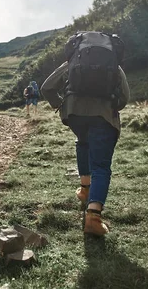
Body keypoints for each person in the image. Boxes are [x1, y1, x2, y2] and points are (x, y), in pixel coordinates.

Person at [41, 60, 130, 236]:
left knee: (83, 141)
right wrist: (111, 107)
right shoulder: (113, 64)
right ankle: (93, 218)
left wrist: (61, 105)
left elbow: (47, 87)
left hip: (74, 114)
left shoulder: (73, 61)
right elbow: (125, 96)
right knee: (101, 166)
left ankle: (85, 189)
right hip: (103, 114)